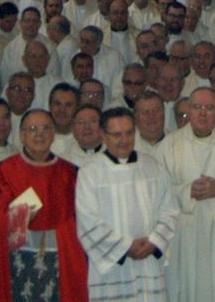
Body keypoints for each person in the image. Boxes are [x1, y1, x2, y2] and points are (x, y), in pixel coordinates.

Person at [0, 107, 89, 301]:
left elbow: (83, 218)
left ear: (53, 134)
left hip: (61, 262)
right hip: (16, 263)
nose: (39, 134)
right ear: (22, 135)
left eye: (45, 128)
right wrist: (17, 218)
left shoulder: (70, 173)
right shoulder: (5, 171)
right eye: (32, 129)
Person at [75, 107, 179, 302]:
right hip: (112, 269)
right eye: (116, 134)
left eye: (129, 132)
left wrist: (155, 241)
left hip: (148, 264)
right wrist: (125, 247)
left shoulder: (152, 166)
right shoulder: (90, 172)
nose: (124, 140)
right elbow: (88, 220)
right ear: (103, 135)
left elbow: (169, 210)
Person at [154, 86, 215, 302]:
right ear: (189, 110)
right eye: (197, 107)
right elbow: (156, 192)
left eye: (209, 108)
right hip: (183, 236)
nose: (203, 113)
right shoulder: (169, 145)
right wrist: (187, 191)